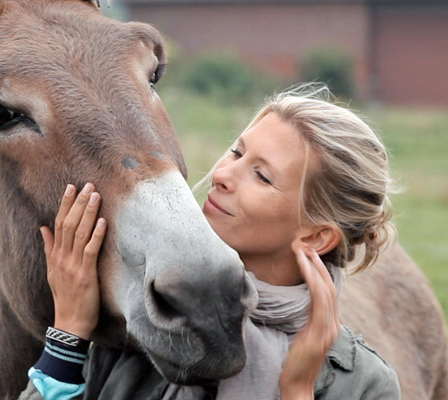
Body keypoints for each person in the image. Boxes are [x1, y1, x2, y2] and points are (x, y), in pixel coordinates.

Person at [21, 84, 401, 399]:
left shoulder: (365, 386)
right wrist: (69, 333)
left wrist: (297, 389)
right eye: (237, 151)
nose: (222, 174)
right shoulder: (145, 318)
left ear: (317, 236)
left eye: (262, 176)